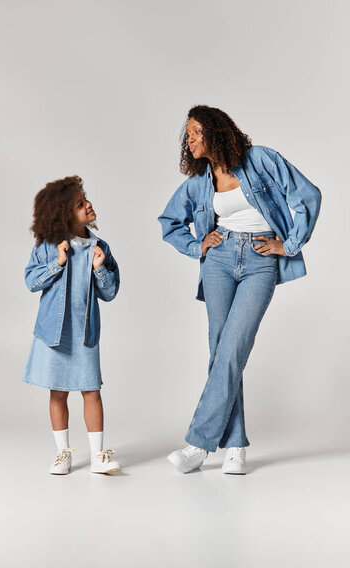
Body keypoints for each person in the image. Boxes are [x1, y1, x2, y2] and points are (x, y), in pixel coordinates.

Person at [158, 105, 322, 475]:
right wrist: (198, 244)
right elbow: (169, 221)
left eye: (196, 131)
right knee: (220, 349)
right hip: (219, 259)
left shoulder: (260, 159)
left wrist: (289, 244)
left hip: (261, 259)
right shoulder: (200, 180)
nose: (190, 139)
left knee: (232, 347)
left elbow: (308, 195)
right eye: (188, 134)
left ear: (216, 131)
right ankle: (234, 446)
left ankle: (199, 444)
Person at [23, 175, 121, 475]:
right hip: (55, 334)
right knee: (59, 392)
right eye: (80, 204)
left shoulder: (98, 247)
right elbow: (30, 280)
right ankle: (62, 454)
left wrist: (100, 267)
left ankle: (97, 456)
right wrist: (58, 262)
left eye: (85, 199)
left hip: (84, 334)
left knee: (91, 391)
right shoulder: (50, 246)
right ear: (65, 214)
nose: (88, 205)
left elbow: (110, 292)